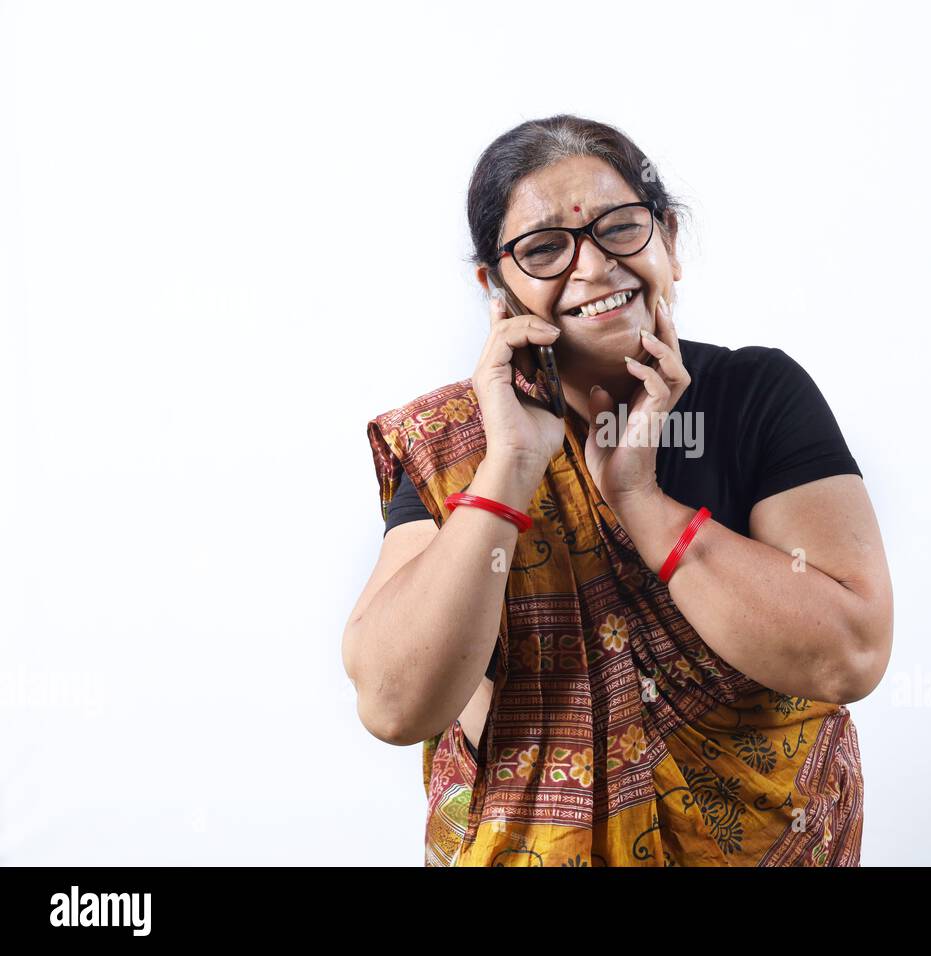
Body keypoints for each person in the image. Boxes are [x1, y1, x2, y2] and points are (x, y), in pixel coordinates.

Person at [342, 114, 893, 866]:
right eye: (544, 249)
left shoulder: (754, 395)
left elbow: (849, 656)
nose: (595, 268)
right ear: (495, 287)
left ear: (667, 238)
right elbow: (395, 702)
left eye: (621, 228)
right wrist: (509, 464)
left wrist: (639, 499)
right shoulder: (455, 443)